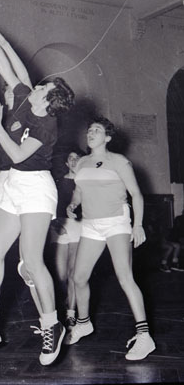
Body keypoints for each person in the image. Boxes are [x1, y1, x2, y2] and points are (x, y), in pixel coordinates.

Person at [0, 20, 75, 367]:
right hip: (13, 185)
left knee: (32, 260)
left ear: (49, 100)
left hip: (36, 187)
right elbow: (9, 68)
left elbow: (20, 155)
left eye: (43, 87)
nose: (36, 86)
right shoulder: (23, 98)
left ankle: (52, 325)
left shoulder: (47, 125)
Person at [64, 117, 156, 361]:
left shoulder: (119, 161)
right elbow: (78, 190)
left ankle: (144, 336)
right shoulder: (81, 163)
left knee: (125, 277)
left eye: (97, 130)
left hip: (116, 222)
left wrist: (137, 225)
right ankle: (83, 323)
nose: (91, 133)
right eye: (89, 129)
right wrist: (73, 204)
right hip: (91, 225)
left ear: (107, 138)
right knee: (78, 277)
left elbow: (136, 194)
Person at [50, 149, 83, 330]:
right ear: (66, 163)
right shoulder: (57, 182)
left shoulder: (85, 182)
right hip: (60, 227)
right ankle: (64, 302)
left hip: (79, 227)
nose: (74, 161)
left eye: (77, 158)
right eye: (70, 158)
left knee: (72, 273)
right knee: (61, 275)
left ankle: (71, 314)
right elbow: (50, 206)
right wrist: (55, 224)